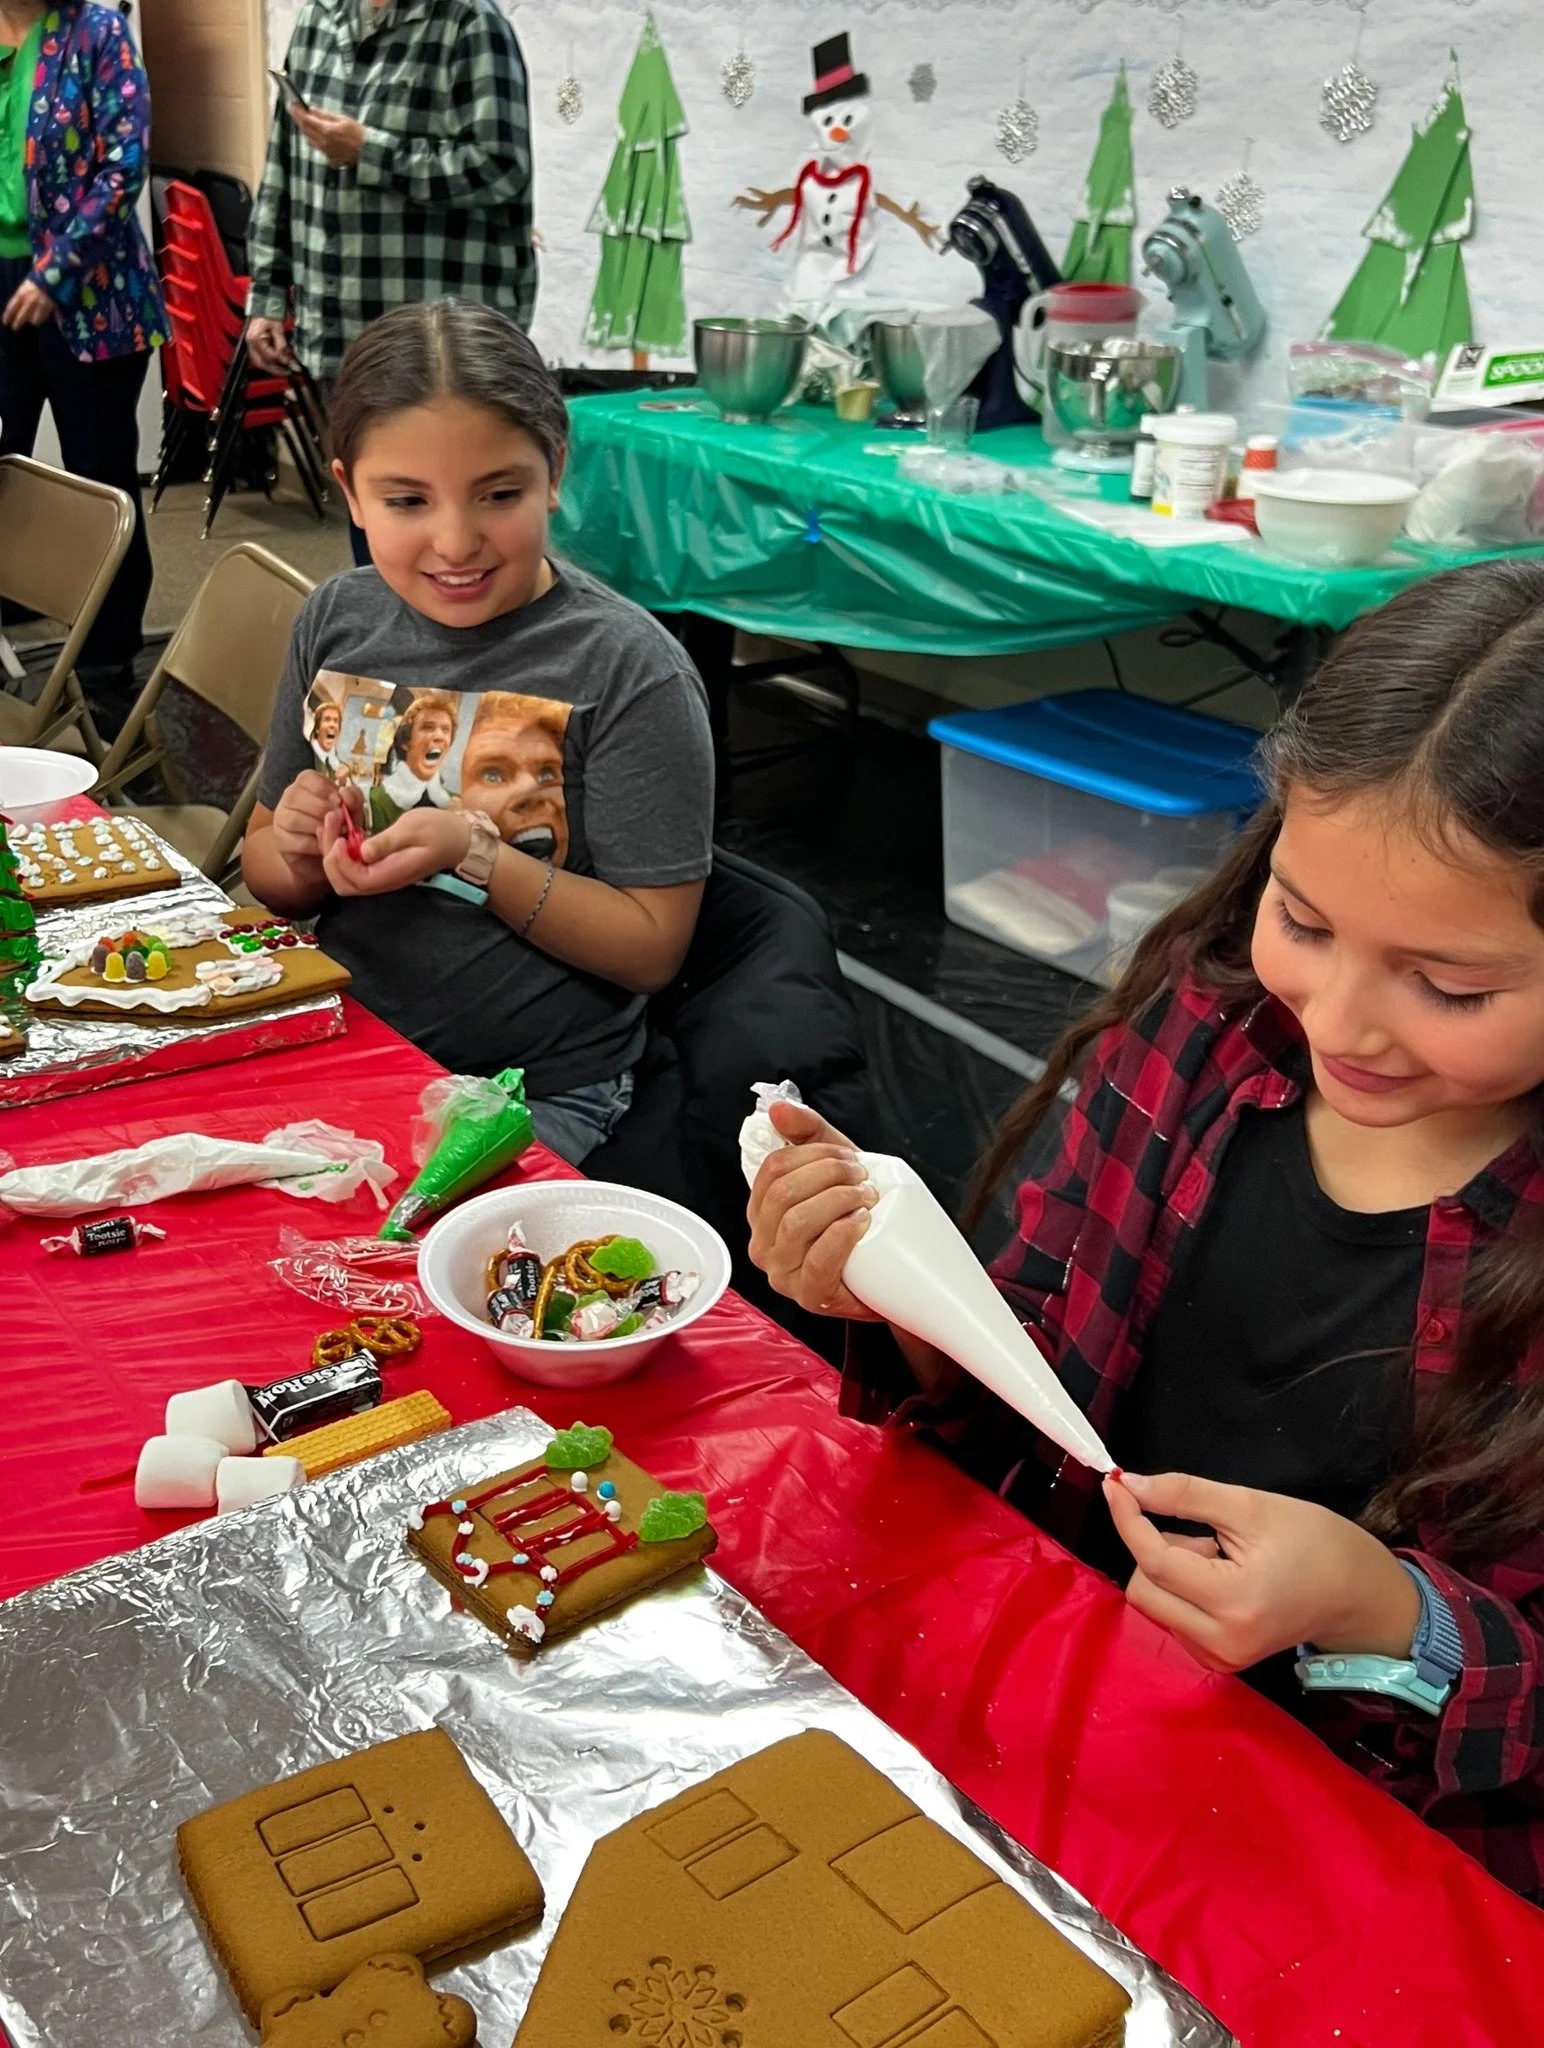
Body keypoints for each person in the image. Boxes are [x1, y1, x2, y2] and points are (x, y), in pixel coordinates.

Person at [748, 559, 1544, 1901]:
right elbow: (1042, 1356)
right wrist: (899, 1298)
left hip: (1360, 1855)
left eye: (1448, 986)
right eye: (1303, 919)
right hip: (1063, 1711)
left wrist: (1388, 1618)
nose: (1339, 1022)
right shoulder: (1210, 1024)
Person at [242, 299, 714, 1168]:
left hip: (533, 1082)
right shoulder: (337, 619)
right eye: (407, 500)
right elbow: (267, 865)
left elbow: (652, 948)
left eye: (500, 495)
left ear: (554, 470)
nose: (455, 542)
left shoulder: (626, 669)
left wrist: (474, 853)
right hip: (350, 1034)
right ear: (348, 490)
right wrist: (302, 848)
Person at [245, 0, 534, 566]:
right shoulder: (318, 21)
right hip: (343, 339)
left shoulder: (470, 23)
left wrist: (370, 153)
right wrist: (266, 295)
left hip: (442, 354)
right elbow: (283, 165)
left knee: (453, 542)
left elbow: (502, 168)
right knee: (377, 531)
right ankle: (389, 655)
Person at [0, 0, 166, 727]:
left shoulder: (96, 31)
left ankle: (107, 661)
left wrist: (55, 272)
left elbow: (123, 166)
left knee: (100, 476)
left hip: (90, 292)